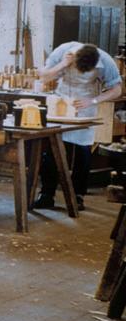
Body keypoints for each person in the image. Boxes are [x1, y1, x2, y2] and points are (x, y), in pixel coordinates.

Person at [34, 42, 123, 211]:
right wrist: (63, 64)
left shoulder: (106, 61)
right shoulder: (62, 51)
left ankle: (78, 196)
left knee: (82, 153)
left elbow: (117, 90)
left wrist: (93, 100)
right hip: (62, 104)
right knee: (53, 151)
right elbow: (44, 76)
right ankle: (46, 195)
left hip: (86, 105)